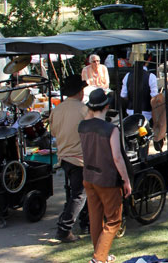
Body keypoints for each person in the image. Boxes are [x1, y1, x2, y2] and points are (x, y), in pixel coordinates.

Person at [79, 89, 132, 263]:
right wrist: (126, 180)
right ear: (107, 106)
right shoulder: (111, 129)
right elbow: (117, 157)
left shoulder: (83, 125)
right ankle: (98, 258)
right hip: (107, 179)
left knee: (95, 218)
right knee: (114, 220)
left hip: (89, 177)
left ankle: (100, 255)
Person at [51, 75, 89, 243]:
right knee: (79, 194)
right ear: (80, 92)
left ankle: (77, 221)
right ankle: (64, 228)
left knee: (75, 192)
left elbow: (53, 132)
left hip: (64, 156)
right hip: (78, 157)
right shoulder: (83, 109)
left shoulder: (57, 109)